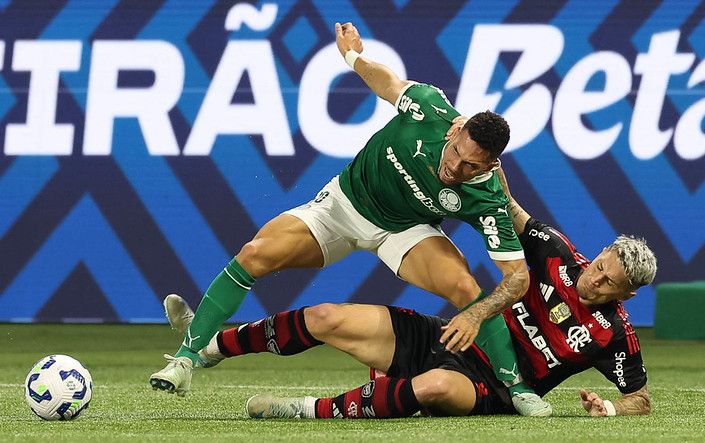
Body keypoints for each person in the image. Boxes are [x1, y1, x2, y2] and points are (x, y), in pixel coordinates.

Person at [150, 22, 547, 415]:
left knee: (464, 286)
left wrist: (476, 313)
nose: (454, 168)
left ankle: (517, 387)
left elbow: (517, 277)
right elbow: (387, 83)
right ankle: (186, 359)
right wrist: (353, 55)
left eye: (470, 166)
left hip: (404, 231)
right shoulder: (428, 107)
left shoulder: (487, 196)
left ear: (490, 165)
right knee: (255, 254)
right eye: (456, 153)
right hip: (342, 206)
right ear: (455, 131)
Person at [162, 174, 656, 418]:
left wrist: (612, 408)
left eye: (608, 283)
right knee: (328, 316)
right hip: (451, 336)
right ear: (600, 253)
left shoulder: (615, 335)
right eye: (600, 266)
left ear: (628, 294)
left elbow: (641, 398)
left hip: (494, 388)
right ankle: (209, 347)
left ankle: (307, 408)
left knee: (435, 387)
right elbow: (507, 204)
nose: (595, 280)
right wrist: (491, 160)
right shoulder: (557, 253)